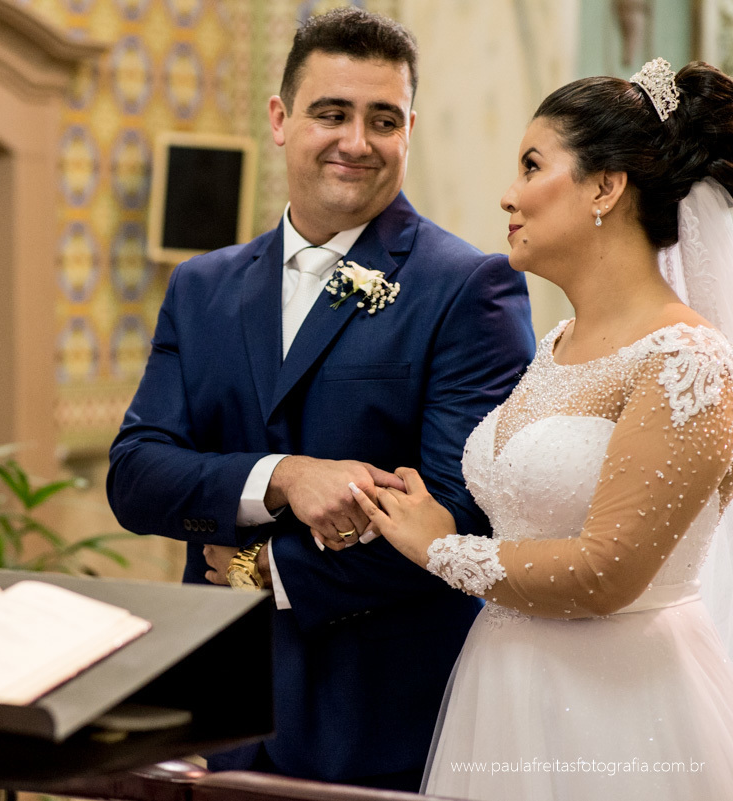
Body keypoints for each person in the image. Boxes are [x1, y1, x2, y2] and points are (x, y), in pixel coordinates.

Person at [107, 7, 535, 791]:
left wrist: (262, 565)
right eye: (332, 113)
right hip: (226, 710)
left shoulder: (468, 288)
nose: (357, 141)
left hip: (385, 719)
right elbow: (136, 475)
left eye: (383, 119)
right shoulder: (200, 287)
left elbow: (465, 517)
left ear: (410, 130)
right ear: (280, 119)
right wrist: (282, 476)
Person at [351, 58, 733, 799]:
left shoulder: (688, 358)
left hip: (620, 708)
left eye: (532, 165)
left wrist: (439, 549)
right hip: (503, 687)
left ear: (604, 186)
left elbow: (606, 573)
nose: (508, 194)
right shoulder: (555, 344)